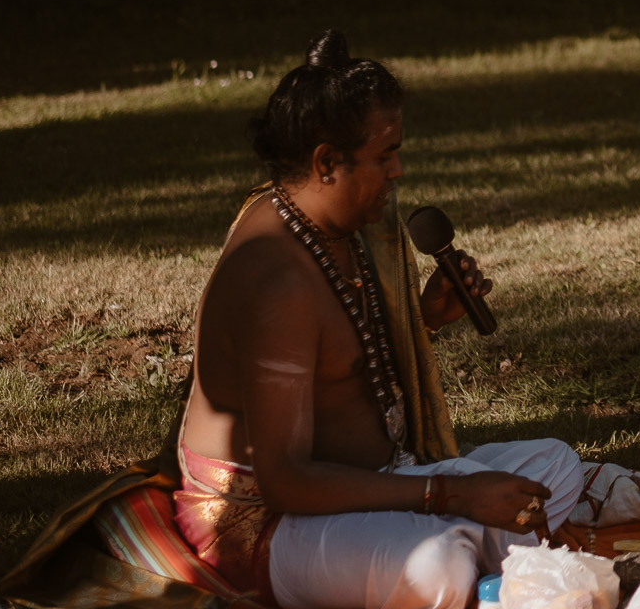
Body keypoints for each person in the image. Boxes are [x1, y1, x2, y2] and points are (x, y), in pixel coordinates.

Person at [177, 30, 587, 609]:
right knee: (439, 564)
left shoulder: (340, 224)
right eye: (383, 154)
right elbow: (284, 479)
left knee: (555, 466)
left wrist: (423, 319)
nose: (396, 171)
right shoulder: (278, 280)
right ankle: (473, 556)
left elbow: (342, 363)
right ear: (326, 162)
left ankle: (473, 552)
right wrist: (451, 493)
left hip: (378, 479)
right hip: (263, 527)